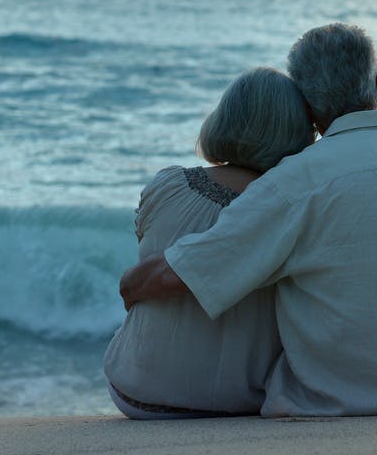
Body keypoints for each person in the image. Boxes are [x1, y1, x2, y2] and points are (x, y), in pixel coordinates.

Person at [120, 23, 377, 417]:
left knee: (278, 254)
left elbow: (202, 266)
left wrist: (134, 283)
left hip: (338, 402)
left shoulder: (293, 183)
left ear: (306, 110)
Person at [104, 67, 315, 419]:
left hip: (133, 391)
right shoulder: (291, 208)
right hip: (238, 403)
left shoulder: (168, 185)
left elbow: (146, 257)